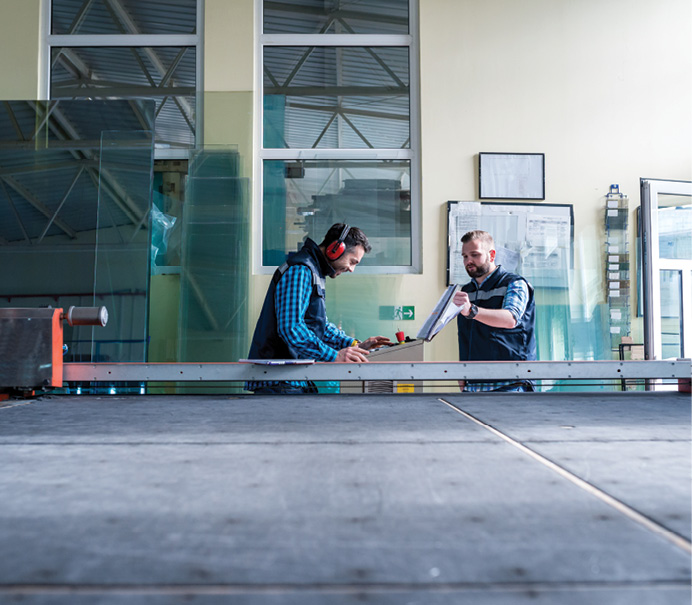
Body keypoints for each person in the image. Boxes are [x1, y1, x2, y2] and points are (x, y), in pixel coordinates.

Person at [246, 223, 392, 394]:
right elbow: (291, 329)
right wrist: (334, 356)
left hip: (292, 379)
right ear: (335, 249)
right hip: (278, 381)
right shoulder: (300, 270)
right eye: (352, 261)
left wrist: (354, 345)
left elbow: (318, 326)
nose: (351, 269)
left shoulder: (313, 272)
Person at [453, 230, 536, 392]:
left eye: (474, 255)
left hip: (510, 384)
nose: (468, 261)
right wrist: (462, 370)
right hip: (474, 386)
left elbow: (510, 319)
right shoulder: (467, 291)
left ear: (491, 255)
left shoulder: (515, 284)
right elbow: (466, 336)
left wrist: (472, 310)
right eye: (464, 256)